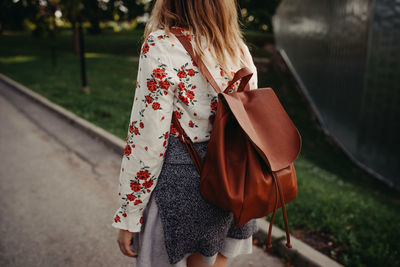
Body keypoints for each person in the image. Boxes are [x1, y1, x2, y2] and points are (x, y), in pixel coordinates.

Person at [112, 0, 259, 266]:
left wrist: (130, 213)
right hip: (234, 179)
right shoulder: (237, 49)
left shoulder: (162, 45)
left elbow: (147, 138)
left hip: (185, 182)